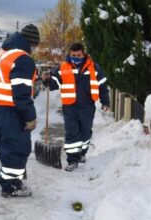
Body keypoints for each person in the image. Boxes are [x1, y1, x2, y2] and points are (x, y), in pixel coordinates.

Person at [42, 43, 110, 172]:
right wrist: (47, 80)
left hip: (87, 106)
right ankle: (72, 160)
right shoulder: (63, 67)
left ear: (83, 54)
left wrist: (105, 101)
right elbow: (55, 82)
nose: (76, 57)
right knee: (72, 133)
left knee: (85, 132)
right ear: (70, 54)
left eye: (78, 55)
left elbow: (102, 86)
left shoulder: (94, 68)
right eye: (73, 55)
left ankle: (82, 152)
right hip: (70, 107)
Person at [0, 24, 40, 197]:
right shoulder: (23, 58)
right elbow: (21, 94)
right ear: (31, 43)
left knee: (8, 148)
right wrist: (30, 116)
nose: (34, 50)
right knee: (17, 149)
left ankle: (13, 182)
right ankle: (10, 187)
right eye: (34, 46)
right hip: (12, 112)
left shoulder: (2, 53)